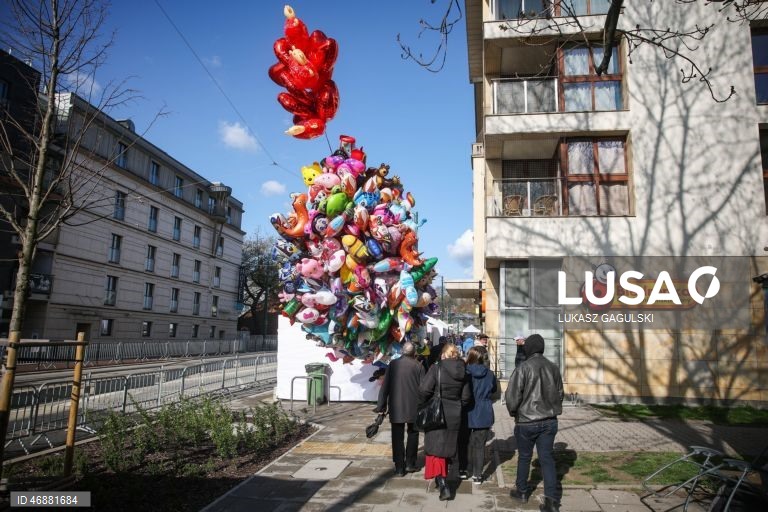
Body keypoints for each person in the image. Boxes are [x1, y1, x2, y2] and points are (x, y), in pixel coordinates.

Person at [505, 334, 564, 512]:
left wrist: (514, 412)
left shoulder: (523, 368)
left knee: (524, 457)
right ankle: (552, 501)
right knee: (547, 459)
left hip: (527, 421)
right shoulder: (553, 368)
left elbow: (512, 396)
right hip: (549, 421)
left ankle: (522, 491)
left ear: (529, 348)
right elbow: (560, 394)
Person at [419, 343, 472, 501]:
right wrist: (456, 405)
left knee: (436, 448)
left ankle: (443, 484)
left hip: (437, 412)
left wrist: (425, 402)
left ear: (443, 354)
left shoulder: (436, 368)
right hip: (454, 413)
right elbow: (466, 397)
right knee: (448, 447)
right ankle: (442, 478)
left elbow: (424, 390)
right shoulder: (464, 371)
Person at [376, 341, 425, 476]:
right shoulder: (418, 366)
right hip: (414, 406)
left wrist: (381, 406)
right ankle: (410, 463)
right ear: (414, 352)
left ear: (402, 351)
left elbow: (385, 387)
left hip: (396, 406)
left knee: (397, 437)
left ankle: (399, 467)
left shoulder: (393, 364)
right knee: (413, 434)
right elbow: (424, 389)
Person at [465, 346, 497, 484]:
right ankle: (477, 475)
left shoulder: (466, 372)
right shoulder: (490, 374)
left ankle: (466, 468)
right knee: (479, 445)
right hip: (484, 410)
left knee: (467, 442)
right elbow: (494, 390)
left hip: (467, 409)